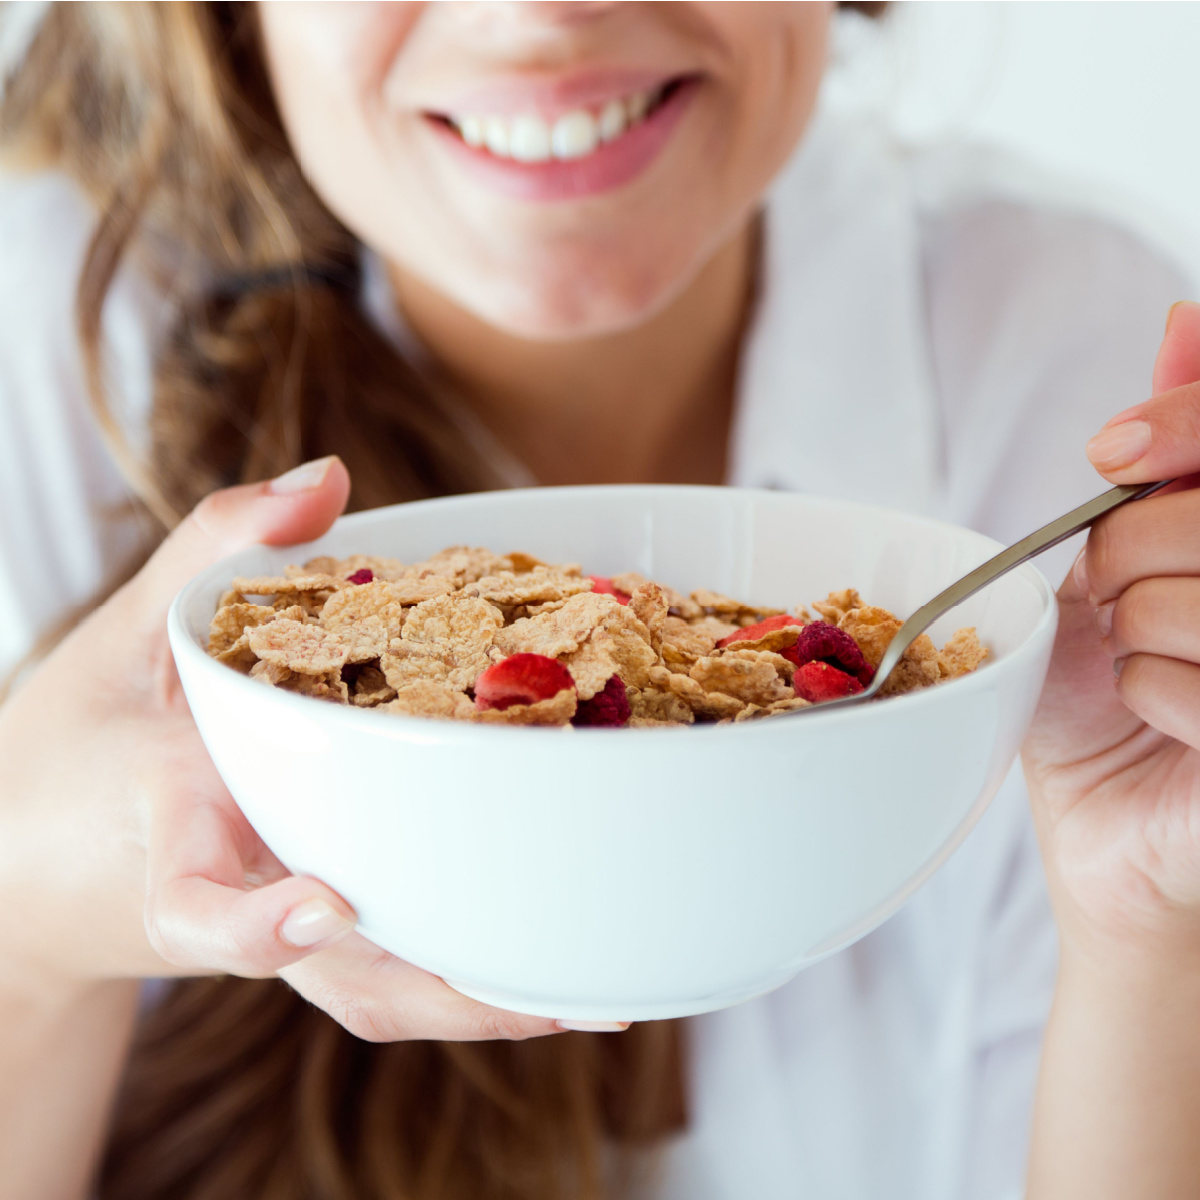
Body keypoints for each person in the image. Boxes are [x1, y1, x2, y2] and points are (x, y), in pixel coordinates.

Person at [1, 3, 1199, 1198]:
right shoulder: (63, 350)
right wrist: (35, 923)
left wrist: (1144, 928)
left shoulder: (1067, 371)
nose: (541, 19)